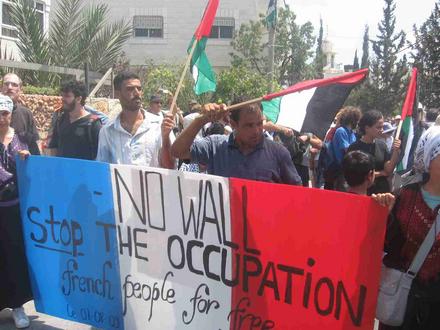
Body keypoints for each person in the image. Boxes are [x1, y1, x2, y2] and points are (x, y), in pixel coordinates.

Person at [379, 126, 440, 330]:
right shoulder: (403, 196)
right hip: (400, 300)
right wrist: (379, 213)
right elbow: (381, 242)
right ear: (428, 158)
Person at [171, 101, 302, 185]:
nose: (256, 130)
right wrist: (201, 120)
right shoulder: (215, 146)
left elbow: (297, 193)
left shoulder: (278, 153)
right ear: (233, 124)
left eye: (259, 123)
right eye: (249, 125)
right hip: (226, 226)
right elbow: (178, 151)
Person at [0, 94, 33, 329]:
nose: (1, 117)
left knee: (14, 256)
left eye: (4, 112)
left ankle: (18, 306)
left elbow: (37, 171)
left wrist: (27, 160)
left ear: (11, 114)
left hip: (14, 209)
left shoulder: (22, 140)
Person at [96, 71, 175, 168]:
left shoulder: (160, 125)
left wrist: (166, 138)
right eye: (130, 89)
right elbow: (103, 168)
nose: (137, 93)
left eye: (139, 88)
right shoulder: (107, 131)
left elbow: (170, 167)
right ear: (117, 94)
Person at [348, 110, 401, 194]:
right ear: (367, 128)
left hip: (381, 193)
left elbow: (388, 170)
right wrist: (380, 173)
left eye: (382, 127)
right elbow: (354, 175)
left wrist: (396, 151)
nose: (382, 130)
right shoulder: (355, 148)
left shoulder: (382, 145)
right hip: (363, 193)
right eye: (378, 127)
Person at [48, 80, 102, 160]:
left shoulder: (93, 124)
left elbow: (100, 155)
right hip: (63, 171)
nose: (62, 99)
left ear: (78, 99)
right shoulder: (60, 120)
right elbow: (53, 148)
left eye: (67, 96)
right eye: (62, 95)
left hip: (84, 171)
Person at [1, 73, 40, 155]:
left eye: (14, 85)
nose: (10, 87)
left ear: (20, 90)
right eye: (6, 84)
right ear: (1, 87)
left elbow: (34, 147)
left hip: (19, 165)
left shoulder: (26, 114)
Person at [326, 106, 362, 191]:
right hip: (337, 170)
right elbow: (348, 150)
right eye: (357, 119)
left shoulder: (352, 133)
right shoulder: (341, 131)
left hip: (346, 170)